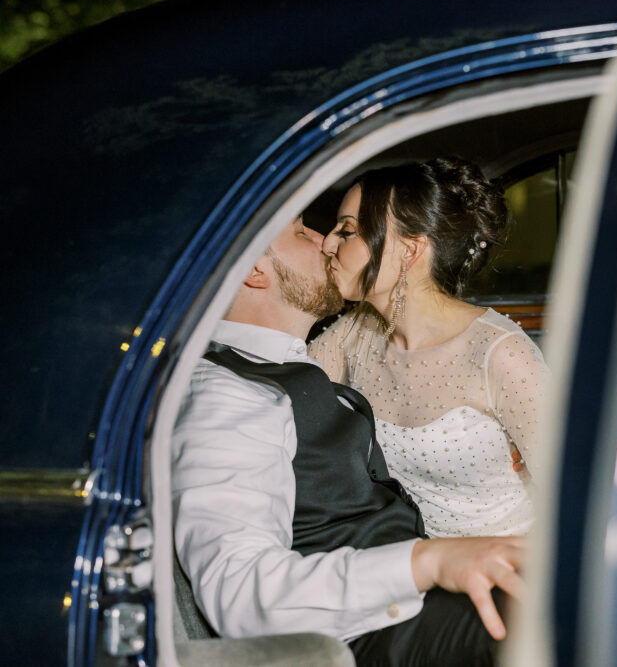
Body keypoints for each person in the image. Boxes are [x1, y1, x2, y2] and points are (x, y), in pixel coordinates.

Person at [172, 215, 524, 666]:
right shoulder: (224, 393)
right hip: (361, 633)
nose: (324, 243)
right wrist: (429, 562)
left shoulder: (285, 365)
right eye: (302, 232)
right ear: (252, 271)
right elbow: (241, 592)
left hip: (403, 602)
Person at [308, 157, 548, 538]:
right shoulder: (355, 332)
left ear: (410, 250)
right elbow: (284, 391)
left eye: (347, 231)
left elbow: (571, 497)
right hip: (404, 560)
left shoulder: (501, 354)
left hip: (505, 565)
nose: (326, 243)